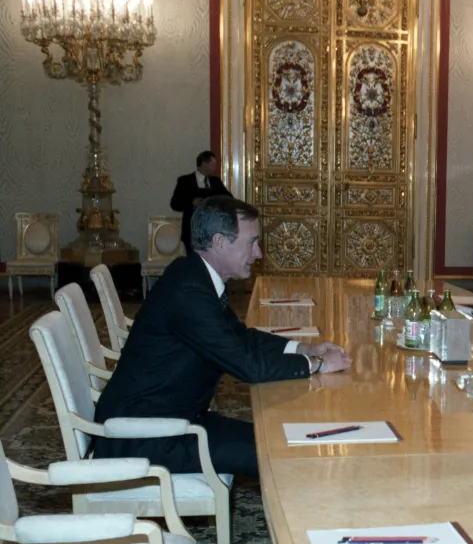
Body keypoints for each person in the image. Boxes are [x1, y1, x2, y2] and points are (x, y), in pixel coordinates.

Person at [93, 196, 351, 477]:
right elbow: (246, 365)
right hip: (145, 438)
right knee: (282, 451)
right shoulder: (188, 292)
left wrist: (306, 348)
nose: (259, 253)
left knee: (283, 439)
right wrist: (318, 365)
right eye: (251, 242)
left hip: (174, 419)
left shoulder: (194, 276)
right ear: (219, 242)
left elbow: (242, 337)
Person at [171, 150, 232, 254]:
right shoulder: (185, 181)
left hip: (212, 230)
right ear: (204, 164)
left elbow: (229, 198)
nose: (215, 167)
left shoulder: (215, 182)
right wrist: (191, 202)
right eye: (213, 164)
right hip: (191, 230)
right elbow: (175, 203)